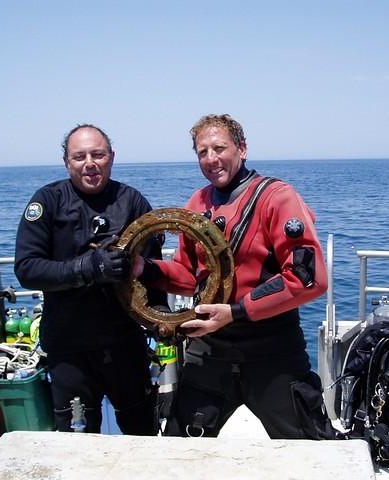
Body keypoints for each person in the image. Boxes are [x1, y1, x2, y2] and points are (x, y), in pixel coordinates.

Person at [135, 114, 334, 439]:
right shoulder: (197, 203)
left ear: (242, 149)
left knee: (307, 452)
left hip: (273, 352)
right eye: (202, 152)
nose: (211, 159)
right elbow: (187, 276)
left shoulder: (277, 198)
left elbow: (307, 279)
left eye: (219, 148)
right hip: (209, 351)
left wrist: (236, 312)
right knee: (179, 449)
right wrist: (147, 269)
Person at [14, 124, 158, 435]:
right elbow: (27, 269)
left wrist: (163, 323)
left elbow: (154, 270)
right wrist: (89, 267)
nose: (89, 163)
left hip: (125, 344)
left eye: (98, 154)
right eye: (79, 156)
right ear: (67, 162)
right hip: (70, 347)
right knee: (76, 438)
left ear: (111, 157)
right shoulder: (48, 201)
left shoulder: (132, 201)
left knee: (142, 430)